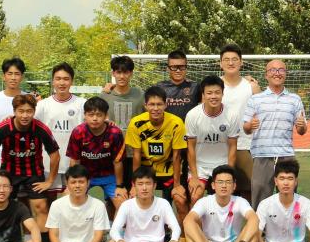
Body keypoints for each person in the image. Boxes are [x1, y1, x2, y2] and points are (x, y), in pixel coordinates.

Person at [0, 94, 60, 235]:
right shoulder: (2, 129)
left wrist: (50, 180)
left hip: (34, 173)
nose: (25, 115)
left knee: (41, 206)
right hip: (9, 174)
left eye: (29, 111)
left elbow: (55, 154)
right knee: (5, 207)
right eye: (21, 111)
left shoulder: (41, 129)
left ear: (34, 111)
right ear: (14, 111)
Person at [241, 59, 307, 207]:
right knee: (260, 200)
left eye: (281, 70)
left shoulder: (295, 99)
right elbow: (246, 128)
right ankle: (260, 223)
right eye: (272, 70)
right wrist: (250, 125)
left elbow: (302, 130)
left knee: (289, 198)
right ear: (266, 75)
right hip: (262, 154)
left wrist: (301, 125)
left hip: (286, 155)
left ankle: (288, 222)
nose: (277, 73)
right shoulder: (255, 99)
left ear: (286, 74)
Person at [183, 165, 260, 242]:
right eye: (220, 182)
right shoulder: (204, 201)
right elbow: (187, 221)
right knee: (189, 227)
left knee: (254, 228)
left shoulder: (240, 201)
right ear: (213, 185)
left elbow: (254, 219)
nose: (224, 185)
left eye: (228, 182)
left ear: (234, 186)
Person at [106, 166, 182, 242]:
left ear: (154, 185)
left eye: (148, 183)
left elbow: (176, 227)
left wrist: (173, 240)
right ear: (134, 185)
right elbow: (114, 230)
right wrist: (120, 241)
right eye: (140, 184)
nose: (144, 188)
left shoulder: (163, 204)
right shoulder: (127, 205)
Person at [127, 86, 187, 220]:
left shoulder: (176, 123)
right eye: (152, 104)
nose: (155, 108)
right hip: (146, 170)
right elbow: (136, 155)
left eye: (159, 104)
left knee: (180, 200)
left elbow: (177, 156)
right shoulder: (136, 123)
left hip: (168, 171)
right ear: (145, 105)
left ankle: (181, 232)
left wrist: (177, 185)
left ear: (165, 105)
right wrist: (134, 185)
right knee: (133, 198)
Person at [41, 164, 112, 242]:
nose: (77, 186)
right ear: (67, 184)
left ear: (88, 183)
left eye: (81, 182)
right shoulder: (57, 205)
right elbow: (53, 235)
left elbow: (98, 235)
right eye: (73, 182)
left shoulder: (98, 205)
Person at [66, 97, 127, 216]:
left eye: (99, 115)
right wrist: (71, 183)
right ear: (85, 115)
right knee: (68, 198)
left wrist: (120, 186)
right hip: (85, 175)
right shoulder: (78, 132)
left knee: (123, 204)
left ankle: (113, 228)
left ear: (106, 116)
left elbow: (118, 162)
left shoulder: (115, 133)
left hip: (109, 176)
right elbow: (75, 160)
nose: (95, 118)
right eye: (91, 114)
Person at [185, 75, 240, 206]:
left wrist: (229, 174)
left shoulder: (232, 115)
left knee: (224, 199)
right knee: (195, 197)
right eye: (209, 93)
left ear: (222, 93)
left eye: (217, 92)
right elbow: (190, 148)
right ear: (203, 95)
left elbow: (233, 147)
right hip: (200, 166)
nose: (213, 96)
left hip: (222, 163)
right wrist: (194, 177)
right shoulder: (192, 115)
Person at [34, 62, 86, 198]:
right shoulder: (42, 105)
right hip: (48, 164)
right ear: (53, 81)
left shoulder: (82, 104)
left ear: (72, 81)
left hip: (74, 164)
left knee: (73, 203)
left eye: (66, 79)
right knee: (49, 203)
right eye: (58, 79)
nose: (62, 83)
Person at [218, 44, 260, 202]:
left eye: (234, 59)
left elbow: (259, 115)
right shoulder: (214, 86)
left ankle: (249, 218)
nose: (230, 63)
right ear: (220, 63)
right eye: (226, 59)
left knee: (249, 190)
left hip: (245, 145)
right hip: (220, 145)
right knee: (222, 191)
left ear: (241, 62)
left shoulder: (251, 86)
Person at [99, 55, 145, 131]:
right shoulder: (104, 96)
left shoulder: (141, 95)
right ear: (113, 73)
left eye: (125, 72)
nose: (122, 76)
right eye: (118, 72)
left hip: (135, 138)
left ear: (131, 73)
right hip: (111, 138)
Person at [0, 57, 28, 133]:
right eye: (10, 74)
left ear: (22, 77)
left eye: (17, 74)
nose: (13, 78)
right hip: (1, 139)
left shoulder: (28, 98)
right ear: (3, 76)